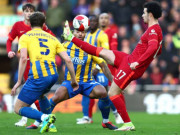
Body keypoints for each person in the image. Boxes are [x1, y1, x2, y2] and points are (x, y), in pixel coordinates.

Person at [62, 1, 163, 131]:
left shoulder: (154, 29)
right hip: (127, 58)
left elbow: (153, 47)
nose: (142, 15)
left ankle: (127, 123)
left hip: (132, 65)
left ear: (150, 14)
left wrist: (139, 62)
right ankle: (71, 38)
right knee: (100, 51)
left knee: (112, 92)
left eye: (144, 12)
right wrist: (147, 57)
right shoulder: (155, 29)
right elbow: (158, 50)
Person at [11, 12, 78, 133]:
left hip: (39, 75)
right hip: (53, 75)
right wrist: (73, 80)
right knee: (41, 95)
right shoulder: (52, 38)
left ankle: (45, 118)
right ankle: (51, 126)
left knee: (18, 108)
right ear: (44, 23)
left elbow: (23, 58)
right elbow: (68, 59)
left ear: (30, 23)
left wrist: (19, 81)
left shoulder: (25, 36)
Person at [48, 22, 118, 130]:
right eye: (78, 32)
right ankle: (41, 120)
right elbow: (51, 53)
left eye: (83, 32)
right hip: (70, 82)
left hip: (87, 82)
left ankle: (106, 121)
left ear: (85, 33)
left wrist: (113, 81)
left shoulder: (90, 48)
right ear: (73, 33)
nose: (80, 34)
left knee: (103, 92)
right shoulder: (65, 45)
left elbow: (103, 65)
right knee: (56, 97)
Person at [6, 3, 54, 127]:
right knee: (37, 93)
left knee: (35, 93)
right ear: (22, 13)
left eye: (31, 11)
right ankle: (39, 119)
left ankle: (41, 119)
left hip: (35, 64)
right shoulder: (18, 26)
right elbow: (9, 39)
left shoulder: (40, 27)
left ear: (34, 14)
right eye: (26, 11)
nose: (28, 13)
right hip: (27, 63)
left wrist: (47, 29)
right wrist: (9, 51)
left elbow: (53, 38)